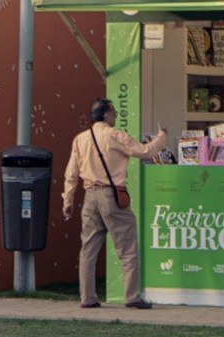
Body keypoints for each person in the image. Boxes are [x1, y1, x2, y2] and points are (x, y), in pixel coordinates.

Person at [62, 97, 166, 309]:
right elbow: (145, 151)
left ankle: (87, 298)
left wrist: (68, 199)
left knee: (88, 249)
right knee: (127, 248)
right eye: (114, 114)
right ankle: (132, 297)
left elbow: (71, 174)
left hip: (89, 196)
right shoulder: (116, 136)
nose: (116, 117)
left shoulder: (80, 139)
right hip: (113, 196)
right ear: (107, 115)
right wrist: (162, 137)